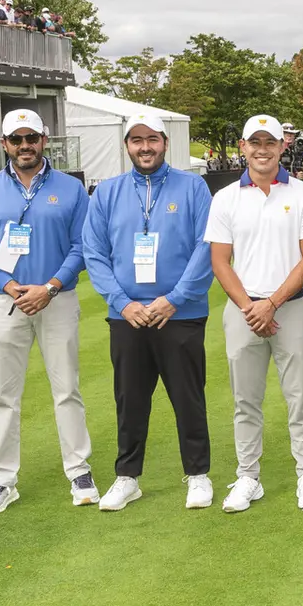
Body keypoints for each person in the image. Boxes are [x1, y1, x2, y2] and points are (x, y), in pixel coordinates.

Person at [0, 110, 100, 513]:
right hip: (6, 301)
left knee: (67, 390)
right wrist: (7, 284)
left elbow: (82, 246)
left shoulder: (71, 189)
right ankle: (2, 480)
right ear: (4, 144)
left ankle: (79, 470)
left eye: (32, 138)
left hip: (56, 299)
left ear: (44, 140)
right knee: (5, 395)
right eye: (17, 139)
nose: (25, 145)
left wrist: (51, 286)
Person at [82, 114, 217, 511]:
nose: (145, 147)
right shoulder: (107, 192)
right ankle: (127, 478)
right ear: (127, 145)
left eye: (152, 139)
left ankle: (198, 475)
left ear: (164, 142)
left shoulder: (193, 187)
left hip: (181, 312)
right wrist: (123, 303)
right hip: (127, 315)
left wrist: (174, 298)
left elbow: (206, 247)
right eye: (137, 140)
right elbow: (94, 252)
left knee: (188, 397)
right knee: (130, 399)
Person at [207, 114, 303, 512]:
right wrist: (250, 307)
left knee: (299, 398)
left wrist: (271, 304)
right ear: (243, 146)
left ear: (282, 146)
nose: (262, 149)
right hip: (243, 310)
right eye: (254, 142)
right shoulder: (225, 198)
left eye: (270, 142)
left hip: (289, 308)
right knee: (246, 399)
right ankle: (248, 477)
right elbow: (221, 261)